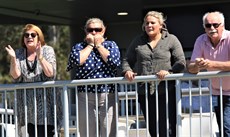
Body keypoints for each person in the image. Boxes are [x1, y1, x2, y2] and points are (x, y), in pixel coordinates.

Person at [122, 11, 186, 137]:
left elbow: (181, 62)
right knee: (153, 128)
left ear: (161, 25)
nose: (149, 25)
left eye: (153, 23)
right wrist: (127, 71)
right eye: (147, 23)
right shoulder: (138, 41)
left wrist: (169, 72)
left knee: (168, 127)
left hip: (167, 90)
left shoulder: (171, 39)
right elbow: (127, 60)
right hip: (145, 91)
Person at [5, 24, 62, 137]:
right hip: (27, 107)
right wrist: (13, 58)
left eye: (33, 35)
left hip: (46, 106)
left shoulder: (47, 50)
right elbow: (16, 76)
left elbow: (50, 73)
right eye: (26, 35)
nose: (29, 37)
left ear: (39, 37)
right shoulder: (19, 53)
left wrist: (40, 57)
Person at [66, 17, 120, 137]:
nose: (94, 32)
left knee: (108, 131)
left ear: (103, 30)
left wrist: (99, 46)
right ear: (85, 31)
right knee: (87, 132)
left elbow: (114, 62)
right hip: (85, 96)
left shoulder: (111, 45)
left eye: (97, 29)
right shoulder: (79, 47)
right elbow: (77, 60)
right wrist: (90, 45)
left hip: (108, 94)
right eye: (90, 30)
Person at [187, 11, 230, 137]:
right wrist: (197, 65)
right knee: (223, 128)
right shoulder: (200, 40)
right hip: (217, 92)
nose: (212, 28)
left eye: (215, 25)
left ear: (223, 25)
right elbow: (191, 68)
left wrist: (211, 64)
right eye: (208, 26)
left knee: (227, 128)